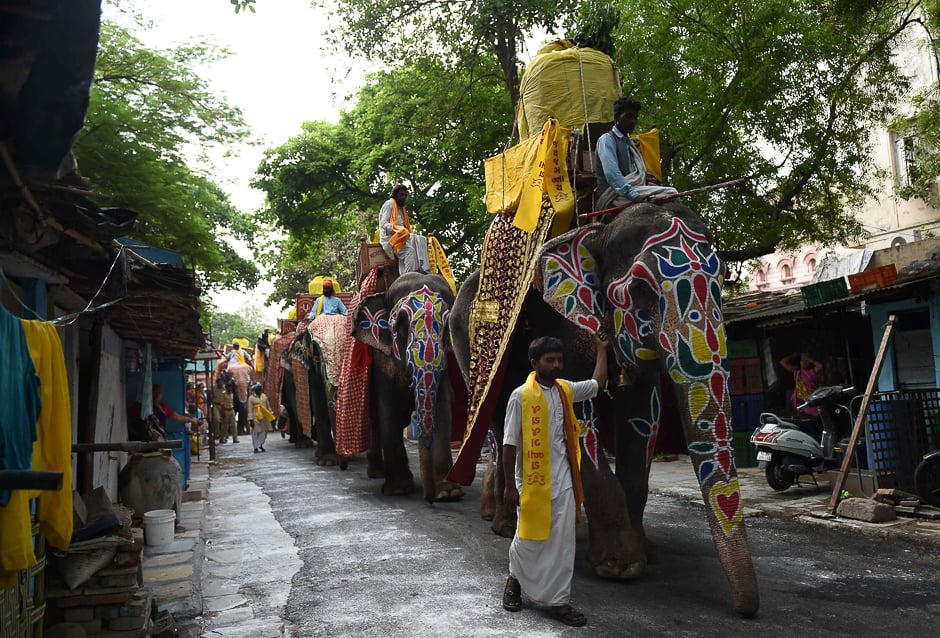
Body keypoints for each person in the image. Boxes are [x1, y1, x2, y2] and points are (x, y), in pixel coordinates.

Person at [501, 335, 608, 627]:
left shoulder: (565, 390)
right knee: (527, 540)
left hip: (563, 481)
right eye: (550, 360)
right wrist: (510, 486)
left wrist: (601, 350)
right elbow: (509, 444)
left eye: (559, 359)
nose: (557, 365)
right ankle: (515, 579)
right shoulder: (520, 396)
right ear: (535, 364)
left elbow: (598, 385)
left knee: (562, 544)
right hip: (531, 483)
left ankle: (559, 602)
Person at [595, 96, 679, 210]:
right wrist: (634, 196)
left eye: (635, 117)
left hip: (633, 190)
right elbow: (612, 175)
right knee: (672, 193)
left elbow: (635, 176)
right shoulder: (607, 140)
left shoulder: (631, 144)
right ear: (616, 117)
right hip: (614, 195)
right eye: (629, 116)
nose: (633, 121)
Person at [378, 184, 430, 274]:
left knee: (421, 240)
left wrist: (402, 232)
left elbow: (405, 229)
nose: (403, 197)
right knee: (410, 252)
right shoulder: (389, 204)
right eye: (401, 195)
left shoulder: (401, 209)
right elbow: (383, 223)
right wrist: (396, 230)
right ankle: (409, 277)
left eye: (405, 195)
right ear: (395, 195)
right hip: (391, 238)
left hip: (402, 237)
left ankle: (422, 269)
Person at [779, 352, 824, 418]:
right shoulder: (797, 372)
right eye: (802, 360)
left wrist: (810, 360)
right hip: (800, 404)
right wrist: (794, 355)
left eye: (806, 361)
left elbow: (820, 366)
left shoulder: (812, 371)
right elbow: (782, 362)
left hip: (812, 403)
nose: (804, 362)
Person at [247, 382, 276, 453]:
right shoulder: (251, 398)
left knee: (264, 432)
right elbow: (250, 409)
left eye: (261, 389)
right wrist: (251, 420)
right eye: (259, 389)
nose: (260, 390)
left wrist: (271, 416)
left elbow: (268, 407)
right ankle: (255, 447)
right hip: (255, 417)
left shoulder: (264, 397)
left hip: (264, 417)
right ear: (255, 390)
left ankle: (260, 444)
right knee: (255, 432)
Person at [215, 373, 239, 443]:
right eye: (229, 388)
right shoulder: (223, 394)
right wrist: (222, 412)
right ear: (227, 388)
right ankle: (222, 438)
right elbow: (222, 404)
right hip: (225, 410)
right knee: (224, 426)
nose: (230, 389)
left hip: (231, 410)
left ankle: (235, 439)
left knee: (234, 425)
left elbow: (233, 402)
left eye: (231, 388)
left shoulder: (232, 394)